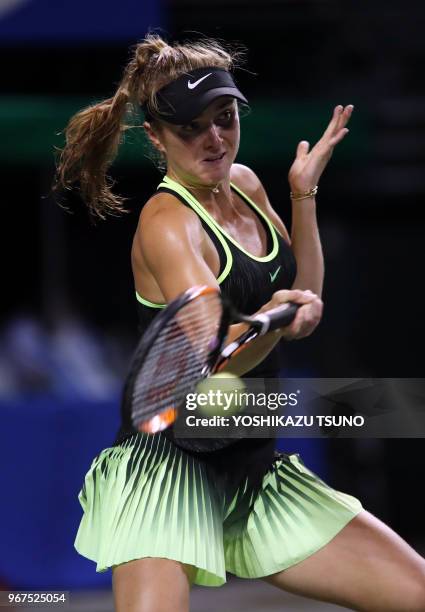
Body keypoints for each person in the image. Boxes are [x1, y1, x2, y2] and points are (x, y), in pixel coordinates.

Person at [56, 34, 425, 612]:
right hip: (167, 472)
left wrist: (304, 196)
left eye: (224, 119)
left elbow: (305, 297)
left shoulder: (248, 185)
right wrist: (279, 317)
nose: (214, 139)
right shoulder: (167, 224)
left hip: (252, 470)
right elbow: (214, 357)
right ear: (155, 136)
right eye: (191, 128)